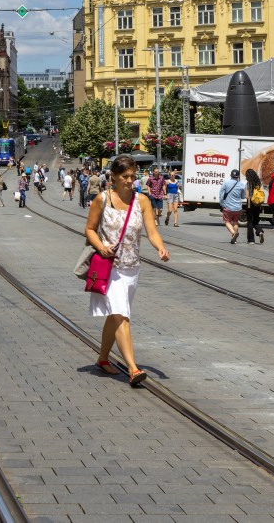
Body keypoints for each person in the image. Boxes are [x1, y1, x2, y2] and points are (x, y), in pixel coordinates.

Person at [85, 155, 170, 388]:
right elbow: (90, 230)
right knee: (121, 314)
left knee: (115, 316)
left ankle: (103, 358)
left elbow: (151, 231)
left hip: (132, 268)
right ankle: (133, 369)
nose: (130, 181)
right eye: (125, 176)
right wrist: (101, 247)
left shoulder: (141, 201)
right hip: (109, 266)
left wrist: (160, 247)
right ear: (113, 176)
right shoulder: (101, 200)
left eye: (133, 176)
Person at [218, 169, 246, 244]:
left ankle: (234, 233)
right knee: (235, 222)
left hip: (228, 207)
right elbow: (243, 197)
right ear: (238, 177)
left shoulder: (225, 183)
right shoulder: (241, 185)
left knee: (227, 221)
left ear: (231, 175)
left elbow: (221, 196)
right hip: (238, 208)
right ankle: (234, 239)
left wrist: (222, 204)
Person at [244, 169, 265, 245]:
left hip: (250, 204)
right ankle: (259, 232)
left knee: (250, 222)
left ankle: (251, 240)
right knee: (256, 221)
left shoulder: (248, 184)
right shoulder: (259, 184)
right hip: (258, 204)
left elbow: (246, 196)